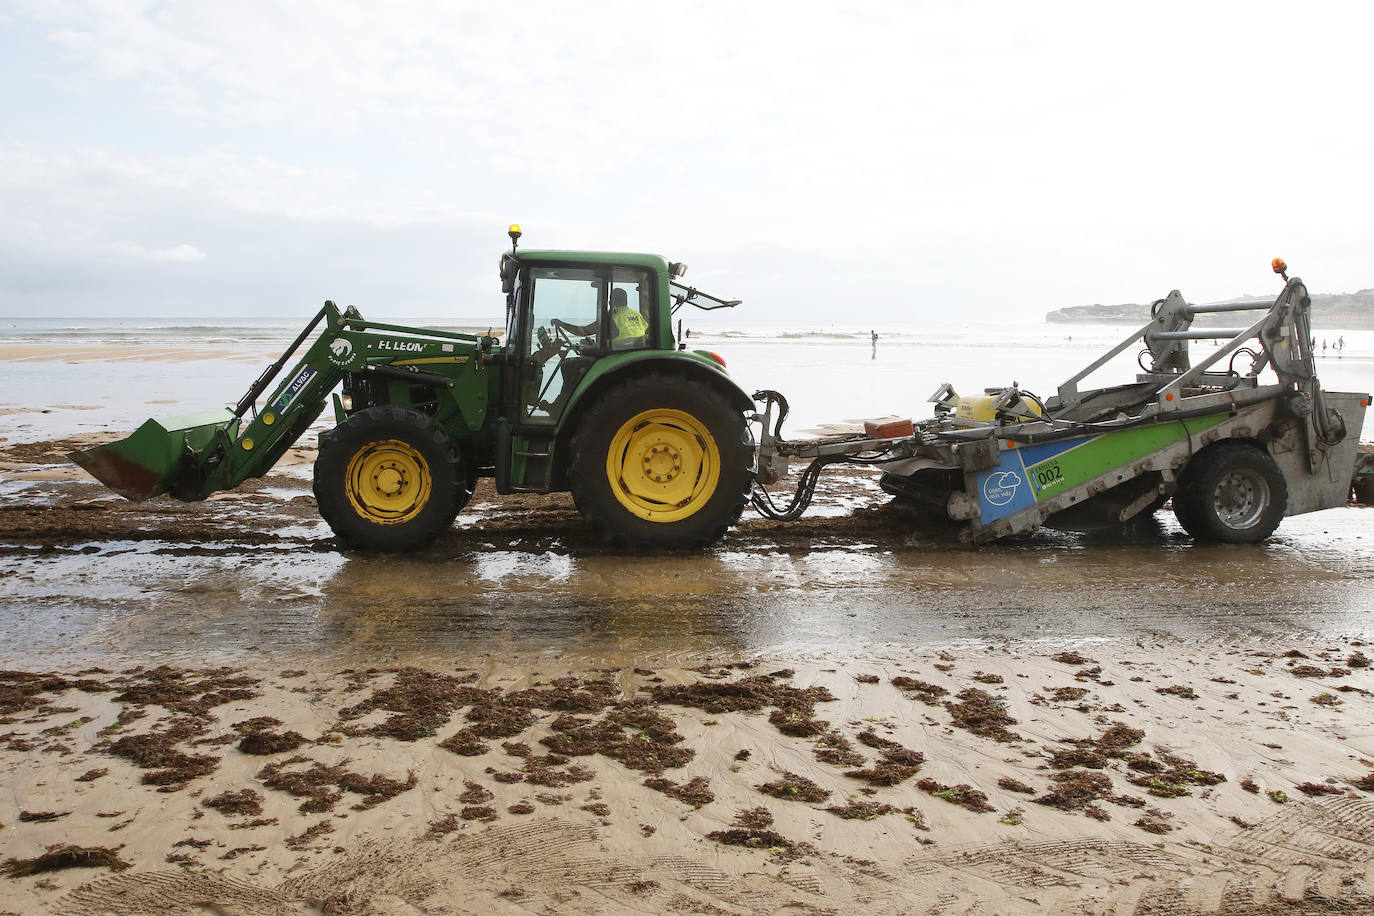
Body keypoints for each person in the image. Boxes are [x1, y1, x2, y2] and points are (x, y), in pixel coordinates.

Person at [552, 288, 647, 349]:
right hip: (635, 351)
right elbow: (646, 331)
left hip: (616, 353)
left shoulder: (611, 316)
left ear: (610, 302)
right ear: (626, 301)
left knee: (572, 366)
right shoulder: (637, 314)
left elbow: (583, 331)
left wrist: (561, 323)